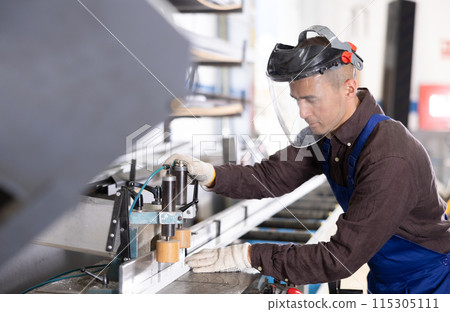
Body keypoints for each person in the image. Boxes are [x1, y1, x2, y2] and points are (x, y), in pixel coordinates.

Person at [165, 25, 450, 294]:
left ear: (349, 89)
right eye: (296, 100)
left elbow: (339, 258)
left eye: (311, 99)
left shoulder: (389, 157)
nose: (302, 112)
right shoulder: (326, 135)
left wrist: (249, 255)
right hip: (388, 276)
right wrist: (211, 175)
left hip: (431, 281)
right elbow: (270, 176)